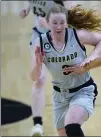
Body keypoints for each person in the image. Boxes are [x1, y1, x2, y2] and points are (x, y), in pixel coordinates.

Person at [30, 5, 101, 137]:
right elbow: (34, 77)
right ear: (47, 23)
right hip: (60, 97)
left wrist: (93, 55)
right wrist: (38, 65)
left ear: (66, 23)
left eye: (62, 22)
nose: (59, 26)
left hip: (83, 90)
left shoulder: (77, 36)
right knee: (66, 132)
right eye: (55, 23)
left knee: (71, 124)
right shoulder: (41, 43)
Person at [19, 1, 76, 136]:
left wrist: (51, 26)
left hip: (60, 40)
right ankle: (37, 125)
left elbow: (74, 21)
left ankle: (71, 122)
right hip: (38, 37)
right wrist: (26, 10)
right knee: (39, 79)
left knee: (67, 81)